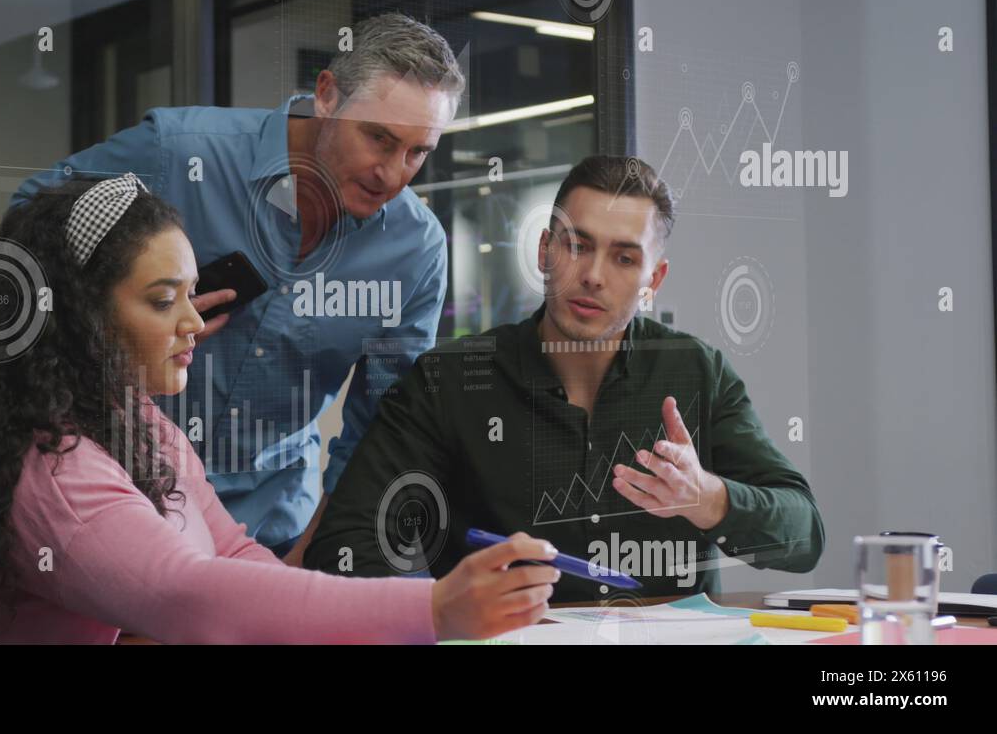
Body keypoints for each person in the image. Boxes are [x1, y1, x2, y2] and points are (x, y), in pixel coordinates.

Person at [0, 174, 559, 643]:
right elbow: (190, 597)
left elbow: (233, 550)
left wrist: (375, 611)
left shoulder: (128, 415)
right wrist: (429, 610)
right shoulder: (53, 468)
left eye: (190, 292)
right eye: (162, 299)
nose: (193, 322)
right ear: (79, 316)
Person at [12, 12, 462, 564]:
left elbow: (381, 428)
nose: (392, 173)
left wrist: (310, 555)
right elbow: (27, 233)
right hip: (120, 508)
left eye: (417, 152)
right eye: (378, 138)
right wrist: (134, 307)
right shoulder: (177, 153)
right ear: (327, 95)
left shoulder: (415, 251)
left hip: (274, 532)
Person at [304, 155, 825, 599]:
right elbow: (346, 543)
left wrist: (709, 499)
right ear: (544, 250)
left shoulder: (697, 373)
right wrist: (442, 604)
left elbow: (804, 535)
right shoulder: (452, 381)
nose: (594, 275)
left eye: (624, 257)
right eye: (577, 245)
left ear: (653, 280)